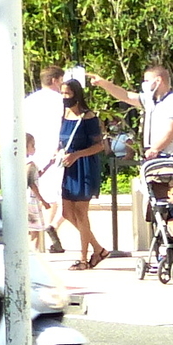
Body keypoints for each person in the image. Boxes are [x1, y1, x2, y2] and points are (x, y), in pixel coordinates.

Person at [56, 82, 108, 269]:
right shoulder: (63, 115)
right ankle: (98, 248)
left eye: (67, 93)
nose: (64, 97)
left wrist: (76, 155)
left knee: (81, 213)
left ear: (76, 94)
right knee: (67, 212)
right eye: (62, 93)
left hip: (84, 166)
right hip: (67, 167)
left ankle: (84, 259)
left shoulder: (88, 117)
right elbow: (62, 141)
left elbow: (99, 145)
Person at [89, 62, 173, 162]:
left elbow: (171, 130)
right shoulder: (150, 100)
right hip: (153, 158)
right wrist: (103, 83)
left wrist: (155, 149)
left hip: (167, 158)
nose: (144, 84)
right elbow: (126, 96)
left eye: (147, 81)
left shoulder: (172, 102)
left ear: (158, 80)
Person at [23, 64, 67, 254]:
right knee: (59, 198)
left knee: (37, 198)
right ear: (55, 80)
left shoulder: (28, 101)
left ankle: (39, 242)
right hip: (54, 154)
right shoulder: (61, 101)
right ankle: (51, 226)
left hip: (32, 153)